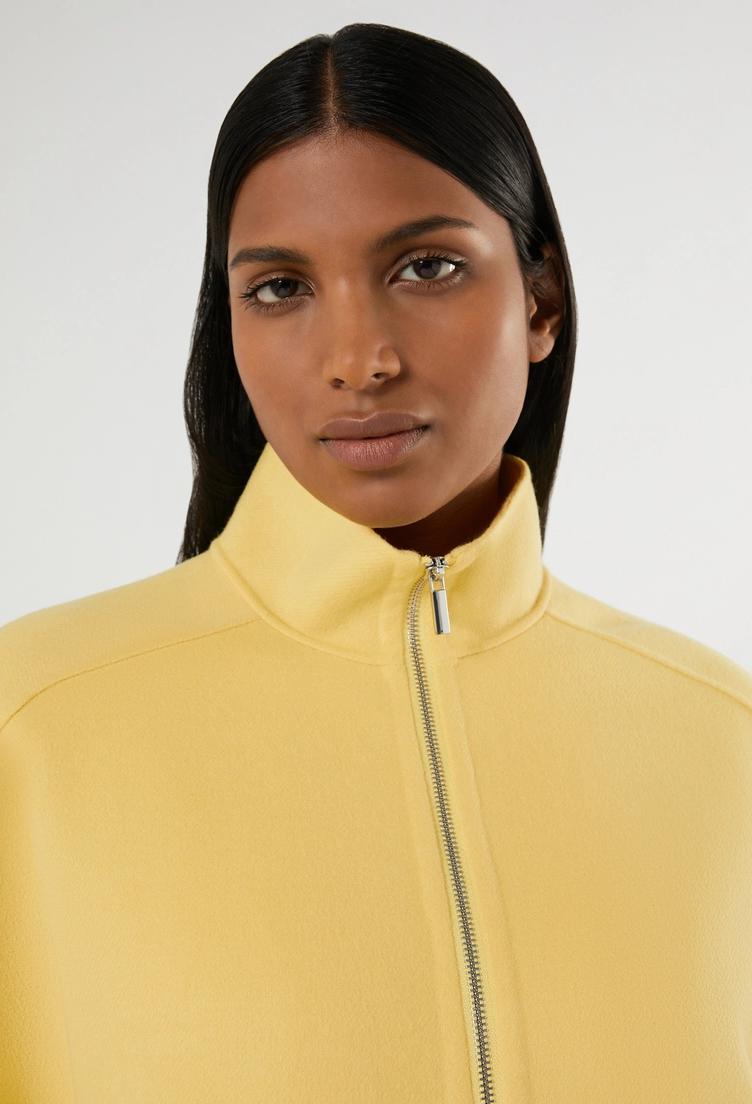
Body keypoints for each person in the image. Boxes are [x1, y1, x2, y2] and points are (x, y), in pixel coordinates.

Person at [1, 22, 750, 1104]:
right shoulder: (32, 724)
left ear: (539, 300)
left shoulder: (721, 741)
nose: (360, 360)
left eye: (427, 267)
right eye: (280, 288)